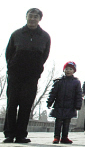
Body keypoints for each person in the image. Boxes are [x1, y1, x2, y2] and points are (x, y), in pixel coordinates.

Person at [3, 8, 51, 143]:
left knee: (26, 104)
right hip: (15, 73)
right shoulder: (16, 34)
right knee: (12, 103)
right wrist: (11, 67)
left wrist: (37, 69)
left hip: (32, 75)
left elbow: (45, 55)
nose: (32, 19)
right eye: (30, 16)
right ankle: (9, 134)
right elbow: (9, 53)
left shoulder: (45, 36)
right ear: (26, 17)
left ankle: (21, 135)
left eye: (36, 17)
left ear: (40, 19)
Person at [47, 62, 83, 144]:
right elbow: (53, 93)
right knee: (58, 122)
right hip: (59, 105)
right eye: (66, 69)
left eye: (70, 69)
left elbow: (78, 94)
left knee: (67, 123)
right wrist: (49, 102)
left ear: (74, 71)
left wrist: (78, 105)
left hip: (70, 106)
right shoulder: (58, 81)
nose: (68, 71)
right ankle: (56, 137)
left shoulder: (76, 82)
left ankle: (64, 137)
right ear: (64, 70)